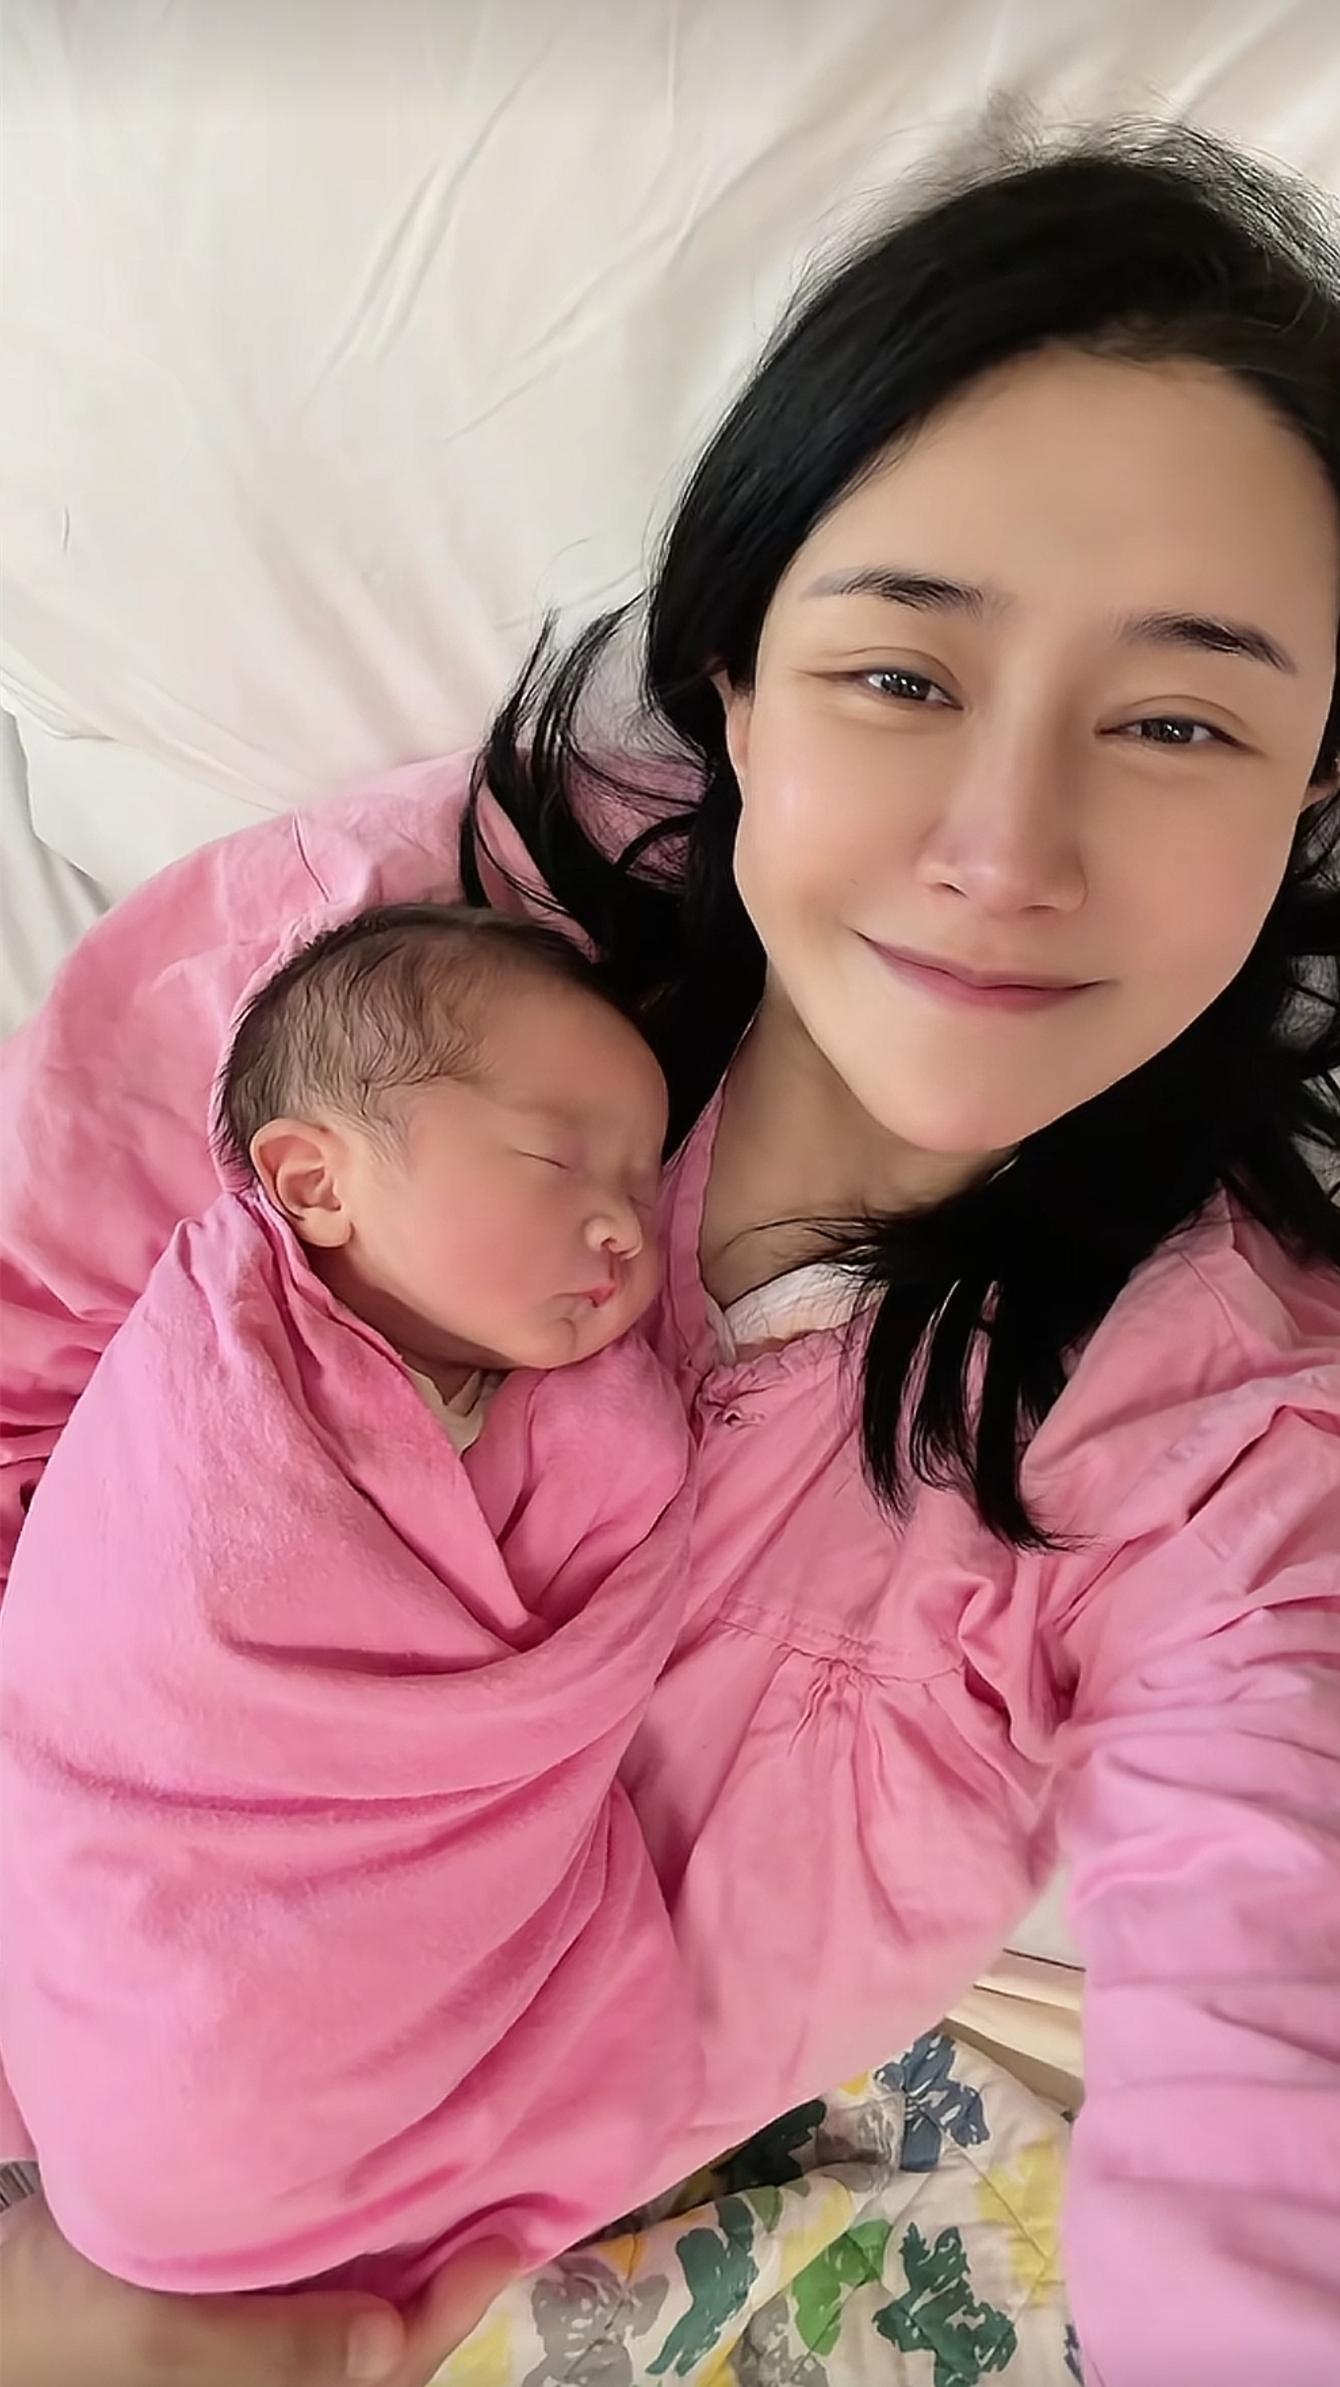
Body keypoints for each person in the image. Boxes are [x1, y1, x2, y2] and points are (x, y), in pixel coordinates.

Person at [1, 118, 1338, 2387]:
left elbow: (1277, 2037)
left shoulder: (1231, 1454)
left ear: (1309, 796)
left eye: (1178, 720)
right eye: (901, 677)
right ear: (733, 682)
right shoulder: (386, 963)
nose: (1004, 848)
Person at [0, 900, 704, 2302]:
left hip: (333, 1991)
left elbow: (574, 1627)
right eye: (558, 1159)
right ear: (315, 1183)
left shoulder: (567, 1423)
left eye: (642, 1181)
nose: (622, 1224)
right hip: (162, 1904)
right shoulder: (221, 1371)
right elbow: (147, 1636)